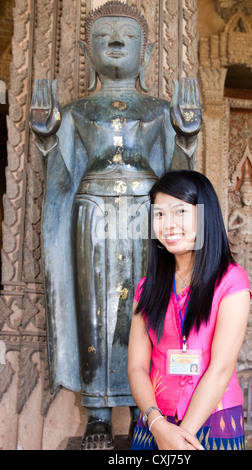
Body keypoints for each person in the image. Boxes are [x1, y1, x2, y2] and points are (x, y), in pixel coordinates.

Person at [29, 1, 201, 449]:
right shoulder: (79, 109)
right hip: (93, 213)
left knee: (148, 307)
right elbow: (63, 168)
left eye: (126, 35)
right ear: (89, 51)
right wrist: (47, 134)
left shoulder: (159, 109)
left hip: (148, 217)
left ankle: (148, 410)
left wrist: (186, 134)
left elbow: (178, 176)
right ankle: (99, 415)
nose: (116, 42)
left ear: (144, 53)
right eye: (104, 36)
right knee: (95, 311)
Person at [128, 170, 251, 450]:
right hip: (155, 421)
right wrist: (158, 425)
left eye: (180, 211)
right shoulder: (146, 287)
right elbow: (136, 366)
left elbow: (221, 368)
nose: (168, 224)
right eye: (159, 214)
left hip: (214, 420)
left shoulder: (231, 281)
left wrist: (180, 438)